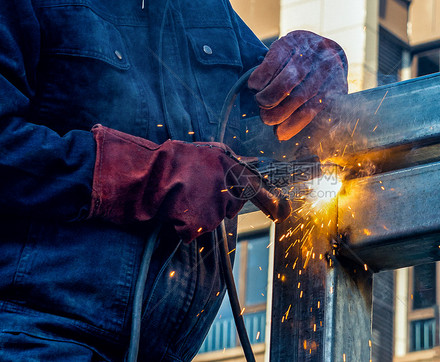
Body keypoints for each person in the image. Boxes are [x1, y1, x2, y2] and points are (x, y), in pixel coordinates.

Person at [0, 0, 348, 360]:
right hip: (30, 338)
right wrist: (153, 177)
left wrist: (319, 66)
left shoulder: (207, 12)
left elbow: (286, 128)